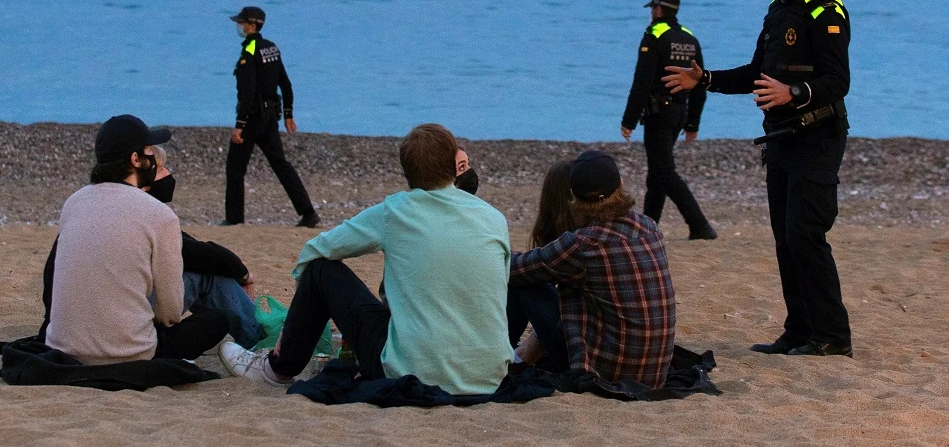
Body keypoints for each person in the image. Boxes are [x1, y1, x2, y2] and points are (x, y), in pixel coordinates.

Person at [662, 0, 853, 357]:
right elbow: (754, 72)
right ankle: (800, 331)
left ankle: (833, 337)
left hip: (818, 136)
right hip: (781, 138)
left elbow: (838, 81)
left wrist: (794, 94)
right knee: (785, 237)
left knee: (806, 233)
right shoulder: (777, 11)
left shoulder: (825, 10)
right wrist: (703, 80)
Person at [219, 124, 513, 393]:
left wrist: (293, 325)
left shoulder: (397, 211)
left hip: (414, 372)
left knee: (320, 270)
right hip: (490, 374)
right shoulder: (493, 217)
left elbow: (315, 250)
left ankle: (277, 368)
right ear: (454, 165)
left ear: (408, 175)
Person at [37, 144, 263, 349]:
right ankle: (260, 339)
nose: (167, 175)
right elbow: (196, 261)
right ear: (143, 177)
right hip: (120, 338)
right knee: (208, 283)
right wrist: (242, 273)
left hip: (64, 334)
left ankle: (258, 334)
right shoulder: (151, 215)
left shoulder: (80, 205)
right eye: (162, 168)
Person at [45, 115, 229, 364]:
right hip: (130, 353)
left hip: (63, 347)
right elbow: (170, 314)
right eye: (149, 152)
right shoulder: (159, 215)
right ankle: (265, 344)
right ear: (136, 160)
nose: (153, 158)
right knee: (217, 320)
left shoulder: (73, 203)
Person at [509, 151, 676, 387]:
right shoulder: (648, 227)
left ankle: (501, 358)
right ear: (620, 183)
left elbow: (515, 269)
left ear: (574, 198)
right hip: (654, 372)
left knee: (527, 284)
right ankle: (518, 357)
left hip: (603, 373)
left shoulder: (582, 244)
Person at [621, 0, 716, 240]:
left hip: (658, 113)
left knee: (663, 172)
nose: (651, 13)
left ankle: (700, 226)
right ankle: (647, 229)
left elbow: (641, 82)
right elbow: (699, 82)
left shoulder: (653, 36)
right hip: (679, 112)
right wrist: (693, 121)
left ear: (659, 10)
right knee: (656, 172)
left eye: (652, 8)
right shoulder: (689, 38)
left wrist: (628, 120)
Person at [223, 6, 320, 228]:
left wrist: (240, 125)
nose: (239, 26)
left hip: (252, 117)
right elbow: (285, 84)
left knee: (235, 167)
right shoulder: (271, 48)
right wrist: (288, 114)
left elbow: (247, 92)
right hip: (270, 117)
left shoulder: (250, 49)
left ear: (252, 25)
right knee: (281, 164)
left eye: (242, 22)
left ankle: (234, 218)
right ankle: (308, 212)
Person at [507, 159, 576, 370]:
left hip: (586, 358)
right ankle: (511, 353)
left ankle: (504, 354)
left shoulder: (575, 244)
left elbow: (520, 268)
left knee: (525, 282)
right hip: (625, 354)